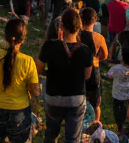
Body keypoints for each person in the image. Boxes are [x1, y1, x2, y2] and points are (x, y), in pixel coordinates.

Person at [0, 17, 40, 143]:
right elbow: (35, 92)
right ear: (23, 39)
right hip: (18, 114)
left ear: (5, 36)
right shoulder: (28, 61)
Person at [38, 8, 94, 143]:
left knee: (51, 135)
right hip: (76, 98)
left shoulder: (49, 46)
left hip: (53, 96)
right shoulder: (85, 50)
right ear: (79, 26)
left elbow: (38, 69)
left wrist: (49, 72)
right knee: (73, 138)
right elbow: (87, 75)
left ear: (61, 25)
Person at [106, 47, 129, 141]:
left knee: (118, 115)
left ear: (122, 57)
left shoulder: (116, 68)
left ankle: (121, 132)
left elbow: (109, 75)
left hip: (117, 96)